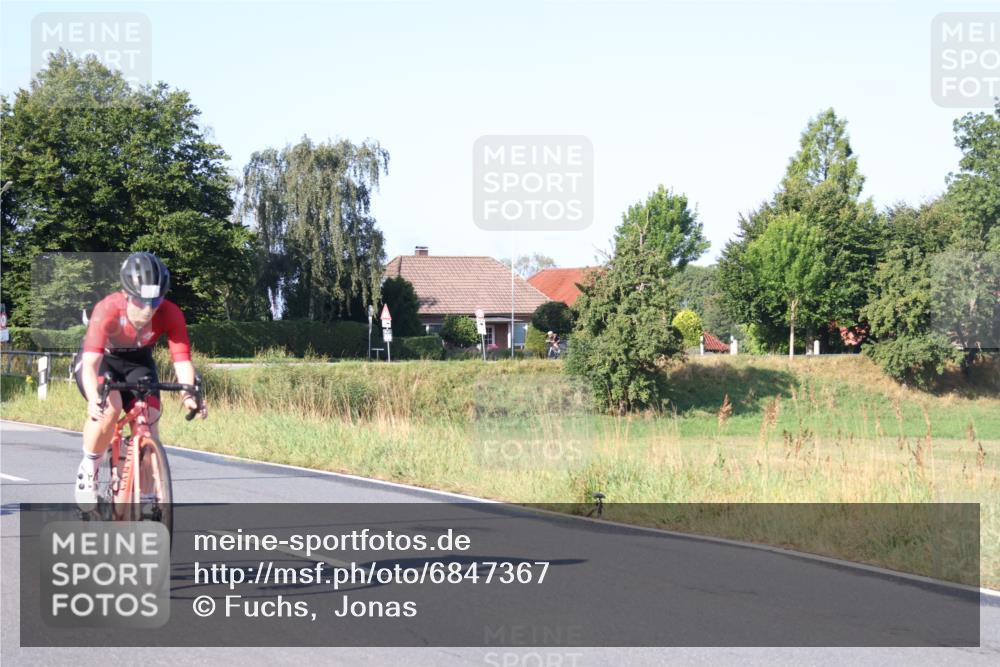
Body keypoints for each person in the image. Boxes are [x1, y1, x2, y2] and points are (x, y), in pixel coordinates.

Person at [73, 252, 207, 509]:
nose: (148, 309)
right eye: (140, 300)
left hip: (138, 362)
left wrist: (189, 396)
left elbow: (181, 360)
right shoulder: (107, 310)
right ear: (126, 294)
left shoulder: (170, 313)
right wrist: (93, 398)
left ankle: (143, 489)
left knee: (150, 418)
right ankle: (89, 467)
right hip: (104, 361)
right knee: (108, 408)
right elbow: (89, 365)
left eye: (155, 301)